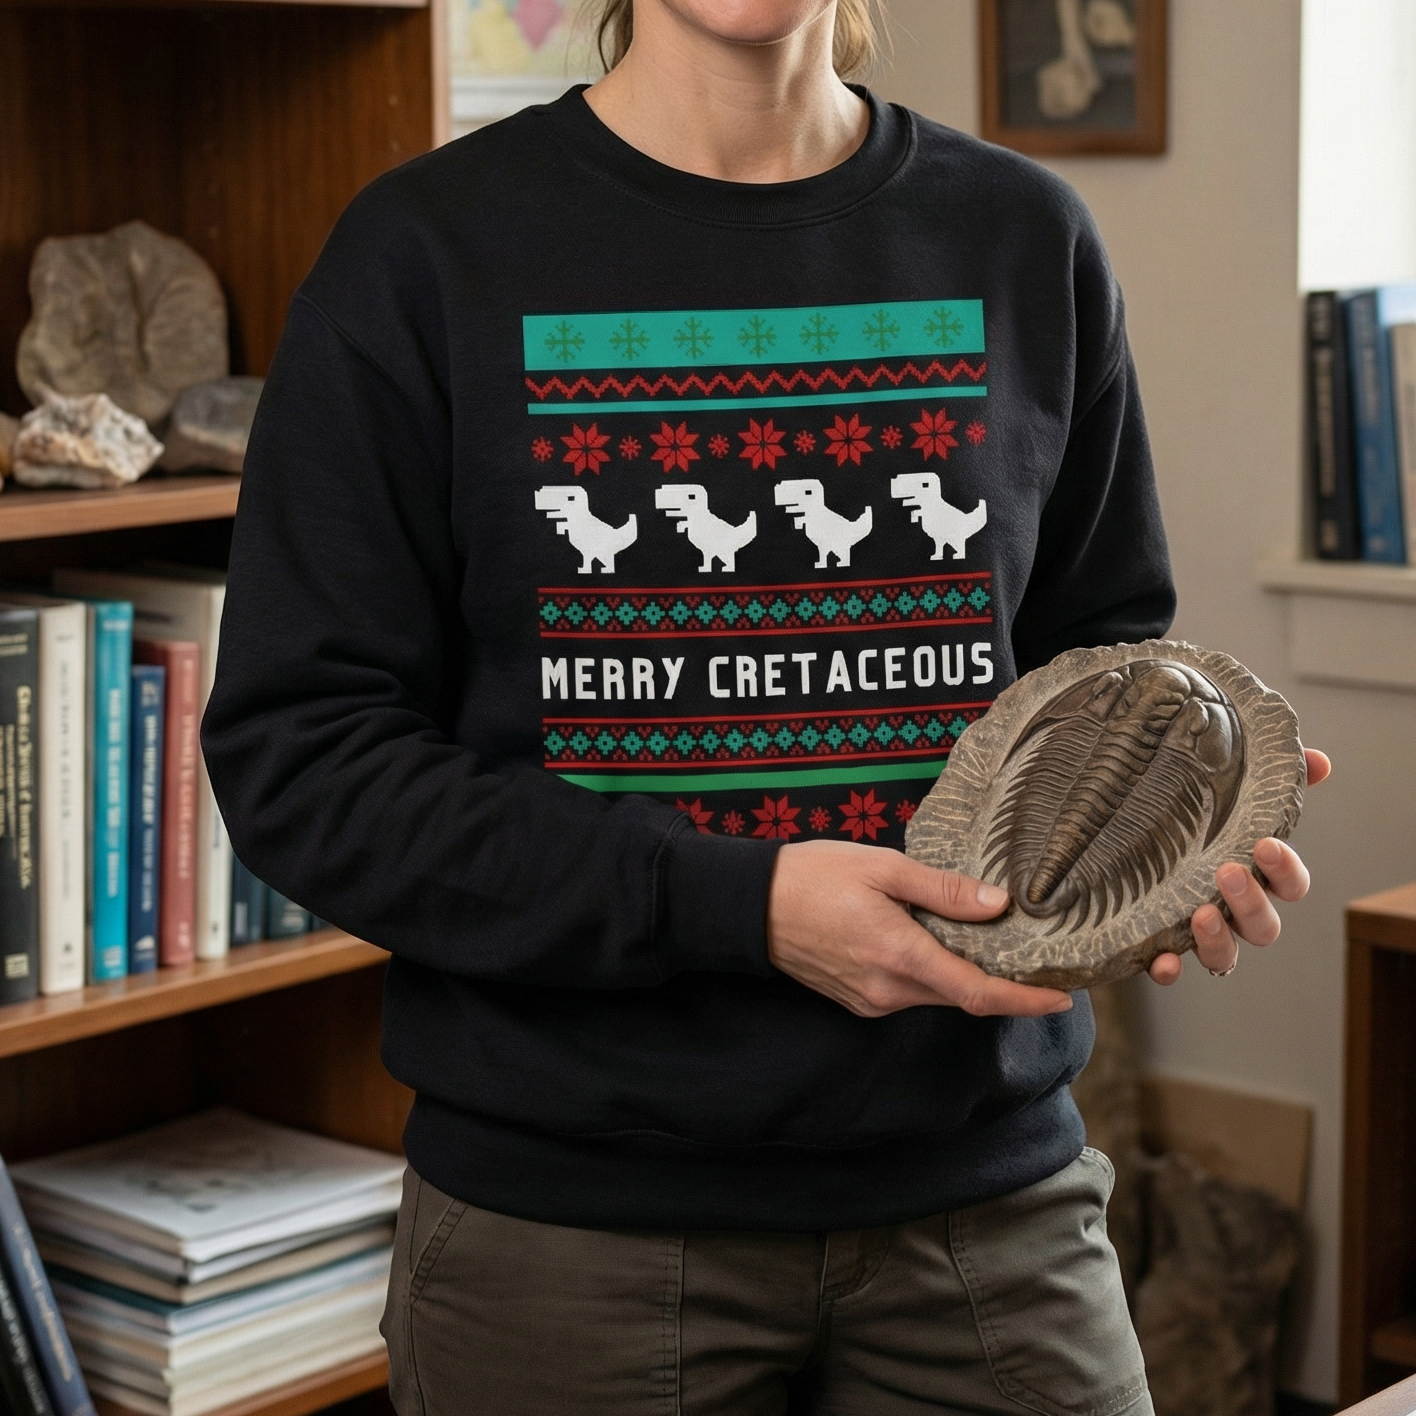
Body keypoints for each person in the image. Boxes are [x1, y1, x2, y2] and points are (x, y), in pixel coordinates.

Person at [202, 1, 1329, 1411]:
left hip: (990, 1211)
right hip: (568, 1241)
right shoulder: (422, 254)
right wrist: (742, 907)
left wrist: (1164, 854)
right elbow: (304, 765)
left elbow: (1102, 674)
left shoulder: (1024, 237)